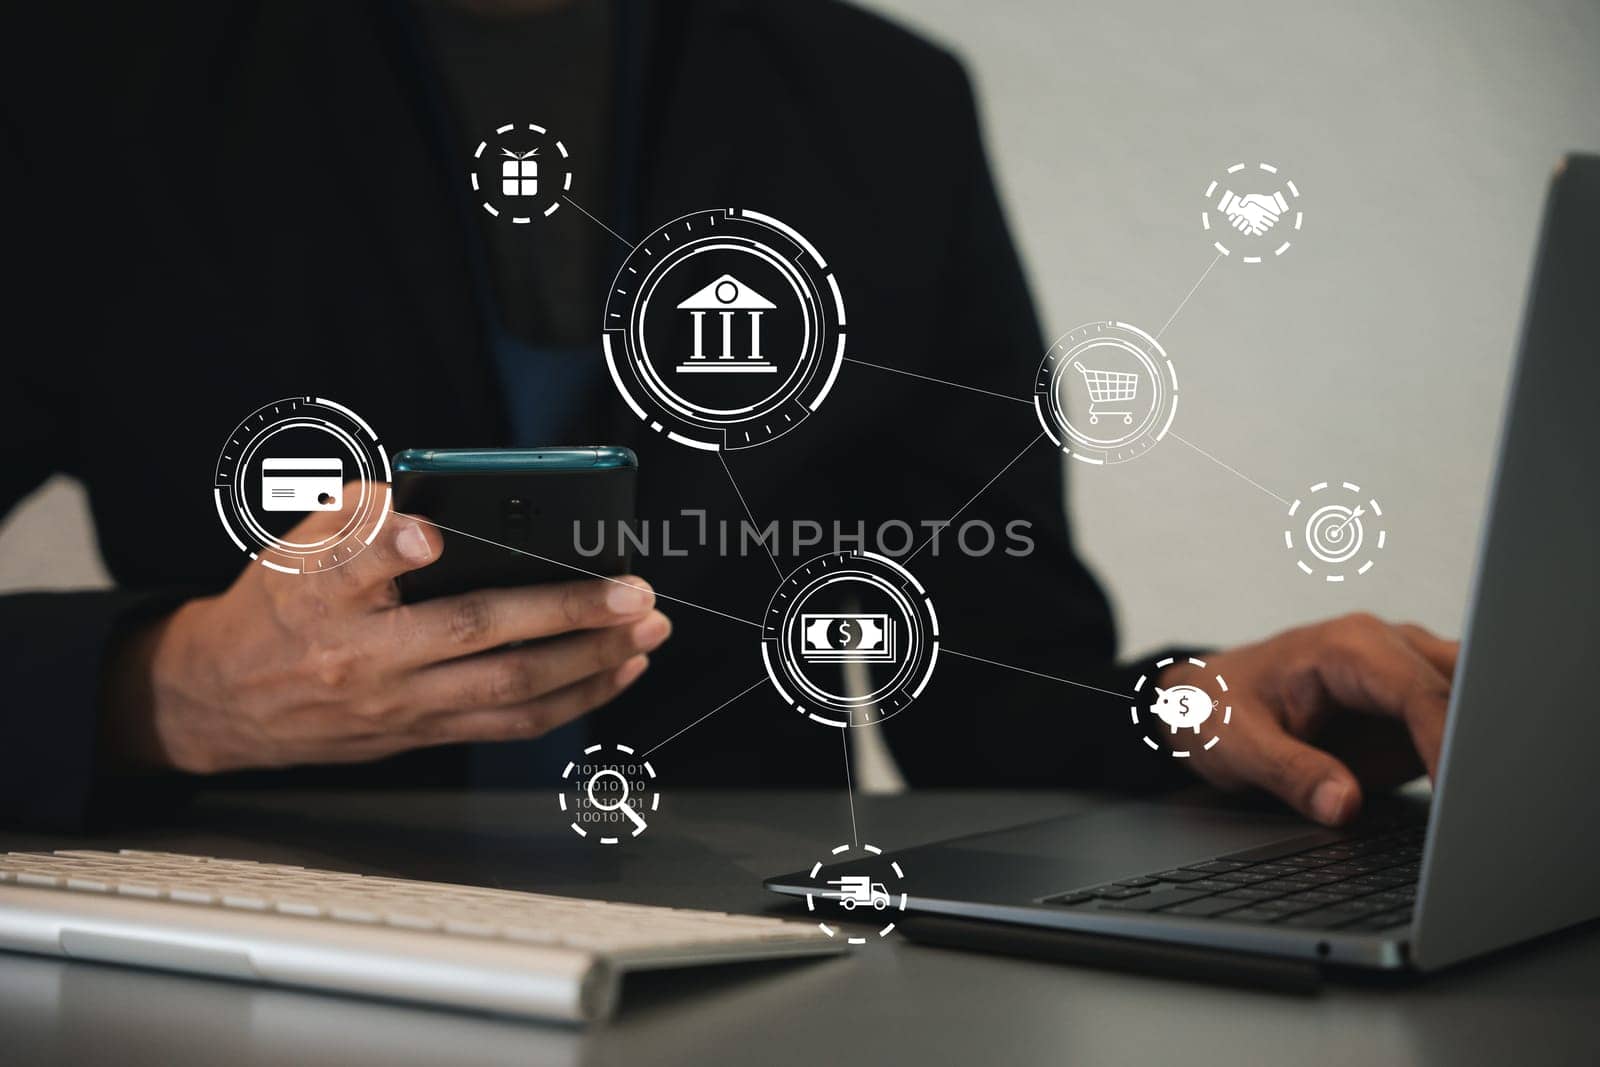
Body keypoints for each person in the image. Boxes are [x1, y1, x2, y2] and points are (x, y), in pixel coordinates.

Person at [0, 0, 1454, 831]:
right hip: (244, 929)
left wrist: (1197, 705)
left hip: (743, 970)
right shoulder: (71, 75)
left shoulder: (885, 102)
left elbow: (999, 685)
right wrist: (160, 691)